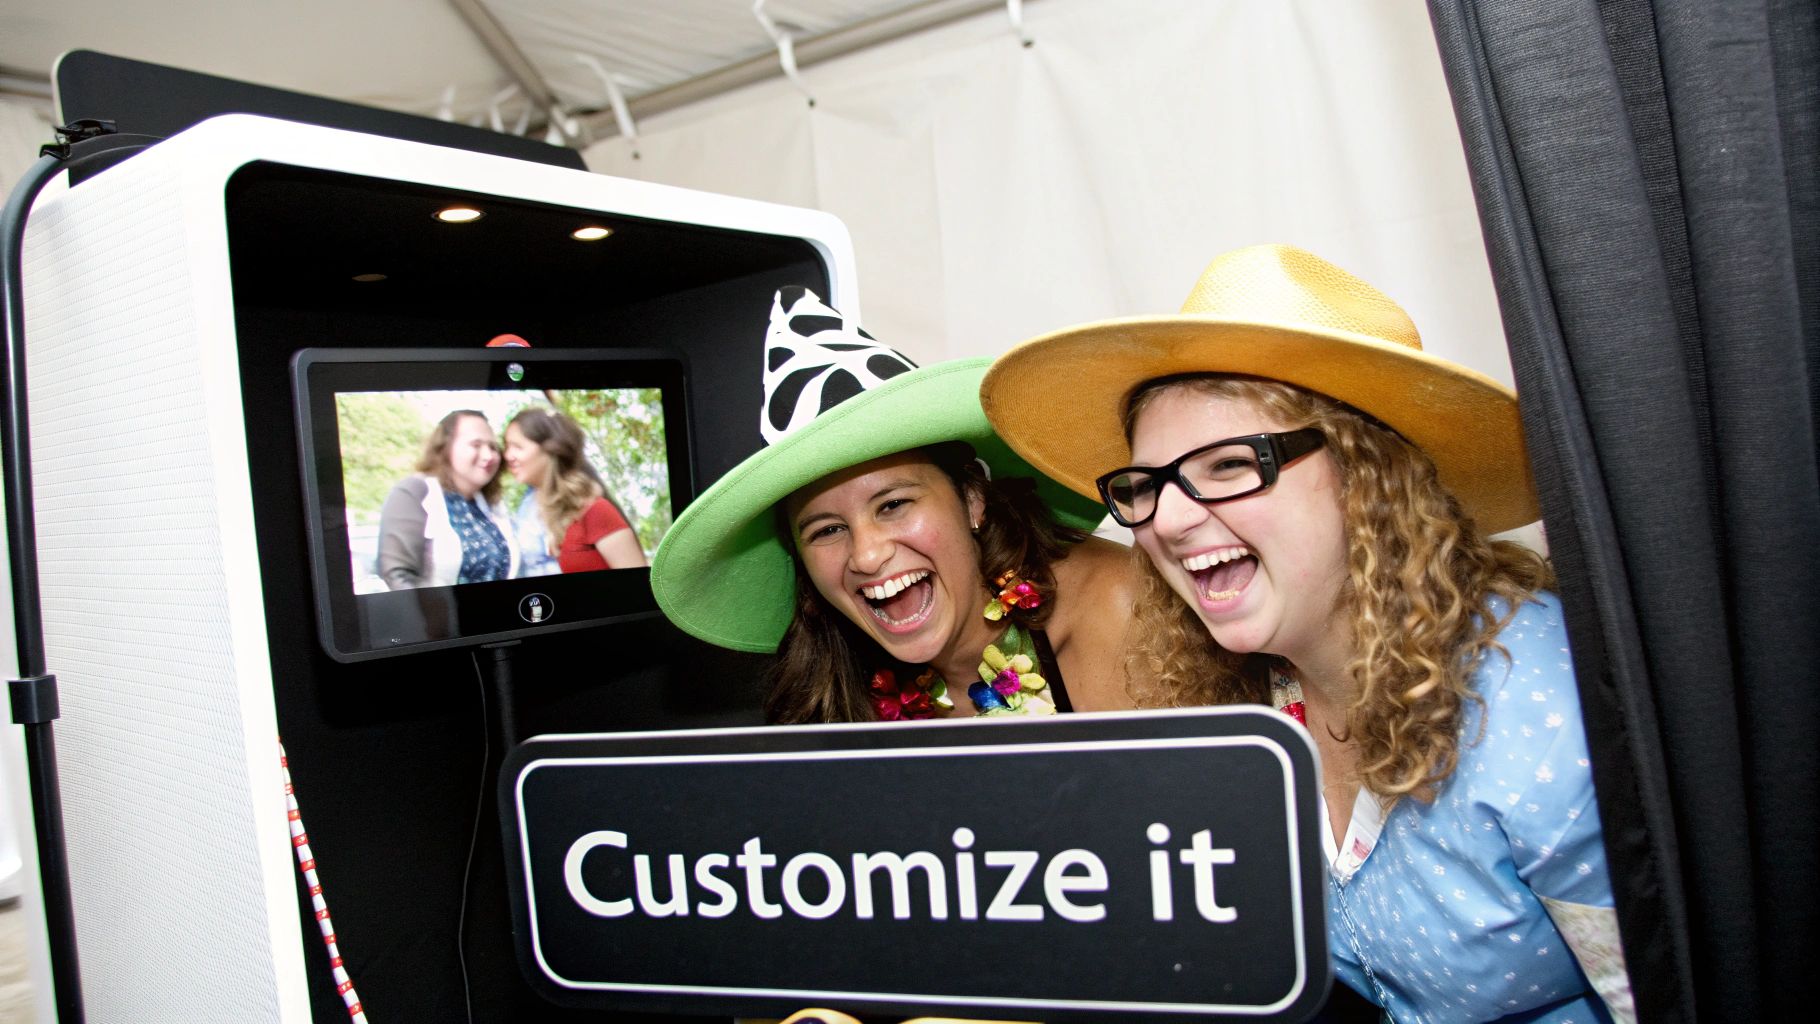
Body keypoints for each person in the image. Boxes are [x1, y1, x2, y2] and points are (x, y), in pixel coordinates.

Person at [980, 245, 1633, 1023]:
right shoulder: (1258, 696)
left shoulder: (1532, 701)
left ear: (1370, 477)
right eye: (1146, 486)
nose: (1172, 518)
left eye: (1229, 465)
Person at [651, 286, 1136, 722]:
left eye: (892, 505)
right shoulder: (843, 693)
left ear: (971, 499)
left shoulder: (1120, 605)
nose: (866, 554)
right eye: (826, 530)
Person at [377, 409, 519, 588]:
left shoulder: (492, 504)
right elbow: (397, 574)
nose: (488, 455)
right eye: (476, 445)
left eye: (493, 447)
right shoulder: (414, 492)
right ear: (445, 447)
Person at [502, 407, 647, 573]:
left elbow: (639, 584)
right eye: (507, 447)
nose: (508, 455)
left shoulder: (595, 511)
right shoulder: (529, 512)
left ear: (550, 448)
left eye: (517, 447)